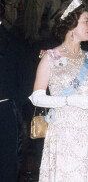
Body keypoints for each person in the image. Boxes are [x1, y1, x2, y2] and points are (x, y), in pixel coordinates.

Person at [29, 0, 88, 182]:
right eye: (86, 21)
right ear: (72, 25)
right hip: (63, 131)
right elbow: (37, 97)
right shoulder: (50, 57)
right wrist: (69, 100)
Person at [0, 20, 34, 182]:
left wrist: (10, 105)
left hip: (6, 116)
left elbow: (27, 85)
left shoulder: (17, 46)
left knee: (6, 169)